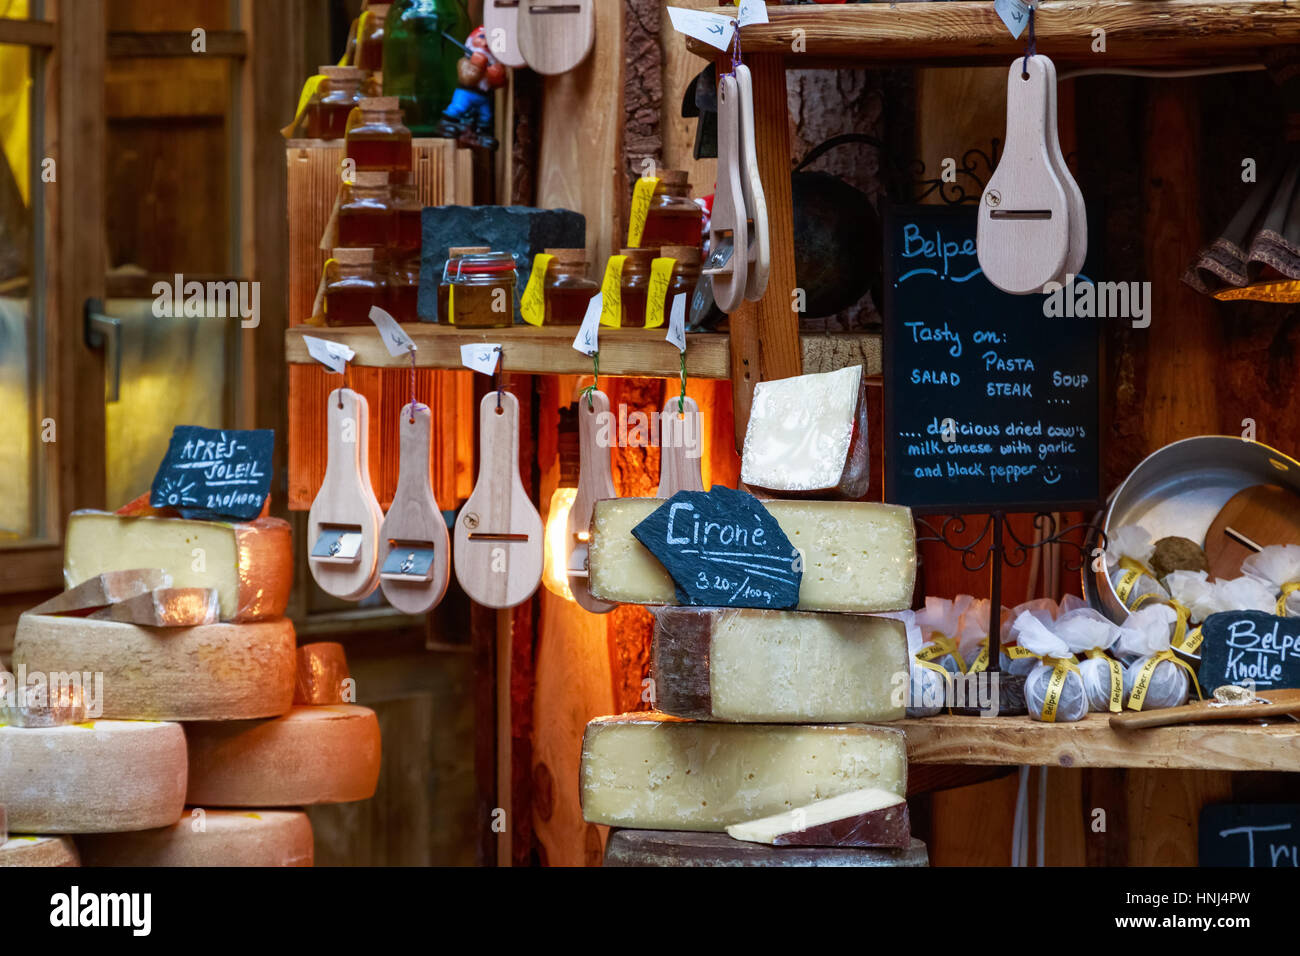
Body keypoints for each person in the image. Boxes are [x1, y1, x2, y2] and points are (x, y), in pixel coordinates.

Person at [435, 26, 508, 149]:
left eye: (490, 40)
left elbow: (498, 85)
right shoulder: (465, 62)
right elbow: (467, 78)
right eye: (481, 37)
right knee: (458, 107)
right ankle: (447, 124)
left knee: (486, 115)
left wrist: (497, 77)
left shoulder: (494, 64)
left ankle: (482, 135)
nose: (485, 44)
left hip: (484, 96)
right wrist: (477, 66)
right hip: (466, 93)